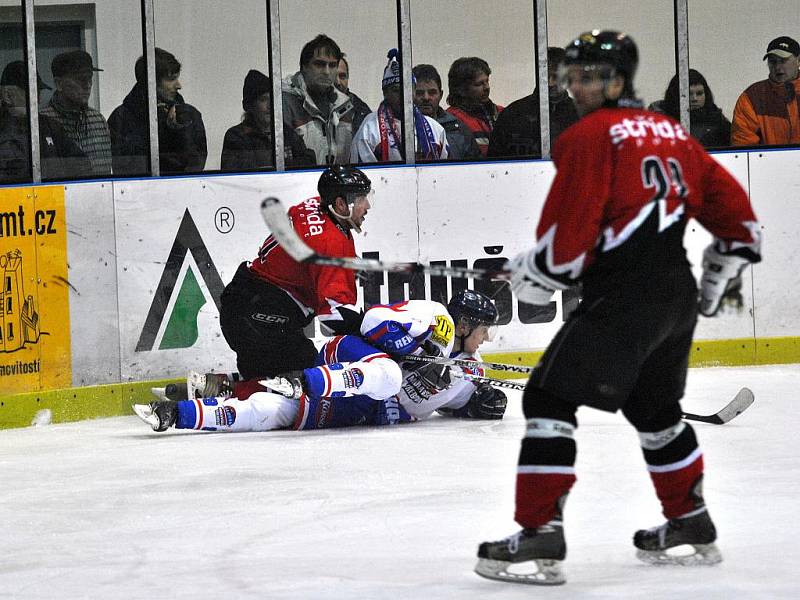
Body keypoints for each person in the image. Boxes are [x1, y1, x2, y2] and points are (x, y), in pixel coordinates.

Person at [475, 30, 761, 585]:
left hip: (624, 296)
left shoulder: (589, 136)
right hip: (674, 295)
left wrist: (539, 273)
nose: (576, 85)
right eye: (573, 75)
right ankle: (690, 521)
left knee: (548, 396)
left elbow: (570, 231)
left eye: (587, 75)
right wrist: (721, 266)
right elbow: (738, 220)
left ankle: (538, 535)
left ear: (615, 81)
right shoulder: (672, 131)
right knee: (655, 412)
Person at [134, 297, 508, 434]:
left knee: (265, 411)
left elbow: (461, 404)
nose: (487, 339)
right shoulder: (433, 318)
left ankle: (179, 409)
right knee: (390, 374)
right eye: (484, 330)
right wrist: (406, 349)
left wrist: (485, 402)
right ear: (463, 325)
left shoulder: (469, 370)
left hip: (358, 408)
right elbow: (372, 321)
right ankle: (302, 381)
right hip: (354, 356)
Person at [219, 166, 372, 381]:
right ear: (340, 204)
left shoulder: (315, 205)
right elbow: (332, 317)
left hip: (245, 303)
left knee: (281, 378)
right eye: (361, 199)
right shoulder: (330, 244)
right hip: (261, 319)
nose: (367, 206)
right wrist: (371, 330)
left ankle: (218, 386)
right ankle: (228, 396)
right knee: (310, 384)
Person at [108, 47, 207, 176]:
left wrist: (180, 132)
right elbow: (126, 167)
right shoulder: (121, 118)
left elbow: (196, 163)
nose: (179, 85)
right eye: (171, 79)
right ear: (150, 82)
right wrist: (166, 131)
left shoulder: (190, 115)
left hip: (182, 190)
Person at [351, 50, 448, 163]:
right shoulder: (369, 129)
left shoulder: (436, 129)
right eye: (396, 90)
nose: (403, 95)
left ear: (414, 91)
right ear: (385, 93)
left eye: (407, 88)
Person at [1, 60, 90, 181]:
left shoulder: (50, 126)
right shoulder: (4, 129)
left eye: (38, 91)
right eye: (30, 92)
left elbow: (82, 164)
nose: (37, 99)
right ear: (7, 95)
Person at [487, 47, 579, 158]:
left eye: (555, 77)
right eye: (544, 77)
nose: (549, 83)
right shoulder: (513, 114)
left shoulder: (581, 115)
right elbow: (495, 160)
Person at [282, 34, 356, 166]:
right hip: (297, 183)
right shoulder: (285, 101)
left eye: (332, 65)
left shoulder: (345, 105)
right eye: (320, 64)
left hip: (336, 183)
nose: (327, 72)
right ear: (304, 66)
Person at [220, 69, 314, 170]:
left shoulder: (285, 132)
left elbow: (308, 161)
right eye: (263, 99)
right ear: (250, 105)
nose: (270, 106)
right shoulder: (237, 136)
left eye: (273, 99)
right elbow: (238, 172)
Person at [40, 50, 112, 176]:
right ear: (59, 84)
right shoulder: (42, 123)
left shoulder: (99, 121)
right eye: (80, 79)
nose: (88, 84)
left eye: (90, 78)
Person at [731, 36, 800, 146]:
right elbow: (743, 145)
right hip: (767, 163)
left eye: (783, 61)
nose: (777, 67)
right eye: (772, 61)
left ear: (798, 60)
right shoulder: (751, 97)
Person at [412, 64, 481, 160]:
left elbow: (476, 168)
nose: (426, 98)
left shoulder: (458, 128)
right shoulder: (401, 128)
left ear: (441, 95)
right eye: (419, 93)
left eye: (432, 92)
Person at [649, 69, 731, 148]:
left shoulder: (718, 121)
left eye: (699, 93)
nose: (695, 98)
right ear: (675, 95)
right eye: (688, 94)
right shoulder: (661, 123)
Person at [446, 57, 503, 156]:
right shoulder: (451, 120)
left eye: (487, 81)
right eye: (479, 84)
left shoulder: (502, 112)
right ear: (461, 89)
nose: (487, 87)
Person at [336, 54, 371, 138]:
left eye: (342, 76)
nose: (337, 82)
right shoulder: (311, 107)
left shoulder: (361, 111)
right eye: (333, 76)